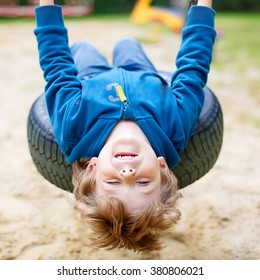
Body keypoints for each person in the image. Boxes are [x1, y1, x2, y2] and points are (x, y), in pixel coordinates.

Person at [34, 0, 216, 251]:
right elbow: (193, 68)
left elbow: (56, 66)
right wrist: (203, 7)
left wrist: (46, 6)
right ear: (162, 166)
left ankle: (88, 51)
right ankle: (125, 47)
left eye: (112, 183)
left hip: (89, 78)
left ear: (92, 168)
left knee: (82, 48)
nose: (127, 174)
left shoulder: (73, 128)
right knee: (127, 43)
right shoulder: (175, 127)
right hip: (139, 73)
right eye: (143, 183)